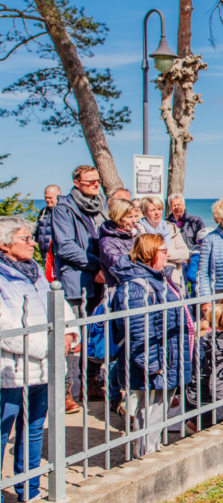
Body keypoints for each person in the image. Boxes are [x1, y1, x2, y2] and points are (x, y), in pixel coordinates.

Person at [0, 216, 79, 499]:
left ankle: (28, 490)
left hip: (41, 371)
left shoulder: (34, 270)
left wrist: (69, 334)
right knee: (2, 432)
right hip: (10, 371)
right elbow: (6, 329)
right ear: (4, 244)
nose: (33, 243)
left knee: (32, 431)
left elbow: (59, 305)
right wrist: (50, 347)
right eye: (25, 239)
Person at [109, 234, 191, 457]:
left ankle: (150, 450)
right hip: (156, 361)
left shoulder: (157, 279)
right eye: (163, 251)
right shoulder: (137, 286)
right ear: (149, 253)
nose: (168, 255)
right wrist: (152, 363)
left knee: (159, 410)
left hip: (167, 356)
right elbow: (137, 330)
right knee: (151, 411)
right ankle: (145, 456)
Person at [52, 164, 106, 409]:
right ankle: (63, 391)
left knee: (95, 334)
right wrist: (97, 265)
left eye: (97, 181)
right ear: (77, 183)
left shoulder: (100, 205)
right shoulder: (64, 209)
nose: (96, 185)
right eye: (90, 182)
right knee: (69, 339)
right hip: (76, 281)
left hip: (99, 281)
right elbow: (65, 247)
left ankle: (91, 383)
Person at [137, 196, 190, 288]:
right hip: (149, 280)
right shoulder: (138, 230)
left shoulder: (172, 228)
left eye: (159, 209)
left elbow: (185, 253)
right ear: (143, 212)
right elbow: (143, 255)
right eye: (152, 210)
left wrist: (162, 253)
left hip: (174, 280)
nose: (157, 213)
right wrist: (168, 255)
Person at [99, 198, 139, 289]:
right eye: (129, 217)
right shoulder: (107, 242)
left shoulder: (136, 235)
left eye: (135, 216)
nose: (134, 221)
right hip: (121, 289)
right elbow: (121, 268)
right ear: (118, 217)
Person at [35, 184, 61, 254]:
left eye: (50, 198)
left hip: (58, 254)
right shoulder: (43, 211)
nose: (47, 200)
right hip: (44, 254)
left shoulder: (64, 212)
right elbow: (37, 230)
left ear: (59, 196)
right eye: (46, 197)